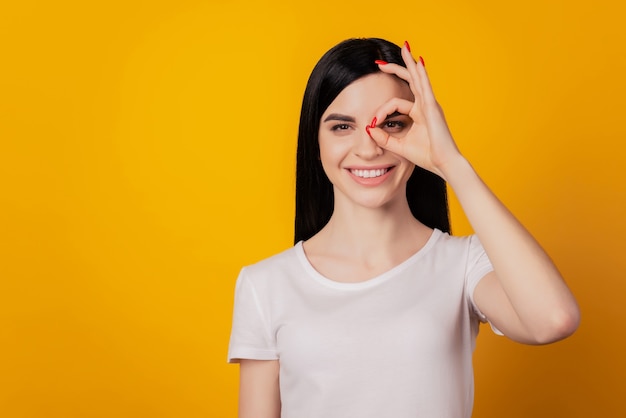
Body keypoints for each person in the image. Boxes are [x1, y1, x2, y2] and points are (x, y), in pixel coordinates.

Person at [227, 38, 580, 418]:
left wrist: (449, 161)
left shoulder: (463, 265)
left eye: (391, 124)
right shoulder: (264, 285)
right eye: (342, 126)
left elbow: (553, 320)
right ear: (315, 142)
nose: (368, 148)